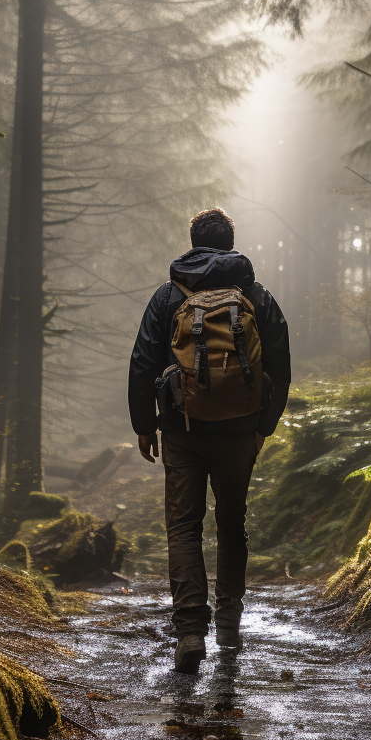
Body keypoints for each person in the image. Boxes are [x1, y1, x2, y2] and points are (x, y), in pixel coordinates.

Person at [128, 208, 291, 673]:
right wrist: (266, 424)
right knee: (232, 523)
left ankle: (190, 633)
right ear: (231, 241)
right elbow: (279, 364)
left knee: (184, 526)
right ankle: (230, 627)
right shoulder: (256, 295)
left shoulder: (168, 296)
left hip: (182, 427)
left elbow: (143, 362)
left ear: (194, 241)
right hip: (241, 428)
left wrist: (145, 424)